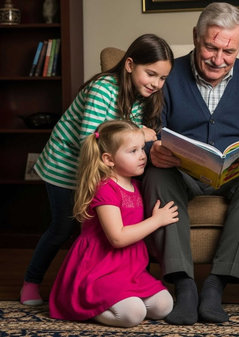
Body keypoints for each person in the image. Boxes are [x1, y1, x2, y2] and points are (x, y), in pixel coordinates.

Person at [141, 2, 239, 325]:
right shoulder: (168, 76)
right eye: (210, 47)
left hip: (236, 174)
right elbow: (148, 129)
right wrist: (153, 150)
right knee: (156, 175)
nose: (218, 59)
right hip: (181, 171)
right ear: (195, 37)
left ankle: (216, 285)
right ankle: (185, 285)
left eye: (229, 51)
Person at [20, 34, 174, 306]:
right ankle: (32, 280)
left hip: (104, 170)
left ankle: (100, 283)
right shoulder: (103, 89)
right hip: (66, 167)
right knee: (62, 227)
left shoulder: (143, 97)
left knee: (96, 233)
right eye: (150, 74)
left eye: (162, 78)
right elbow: (87, 141)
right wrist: (140, 132)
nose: (156, 84)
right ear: (129, 65)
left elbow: (129, 143)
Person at [49, 120, 178, 327]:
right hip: (100, 267)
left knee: (165, 305)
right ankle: (88, 310)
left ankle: (120, 301)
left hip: (129, 267)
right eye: (133, 151)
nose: (142, 155)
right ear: (108, 159)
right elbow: (117, 237)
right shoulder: (105, 188)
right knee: (133, 314)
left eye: (141, 149)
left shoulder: (136, 184)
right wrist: (156, 221)